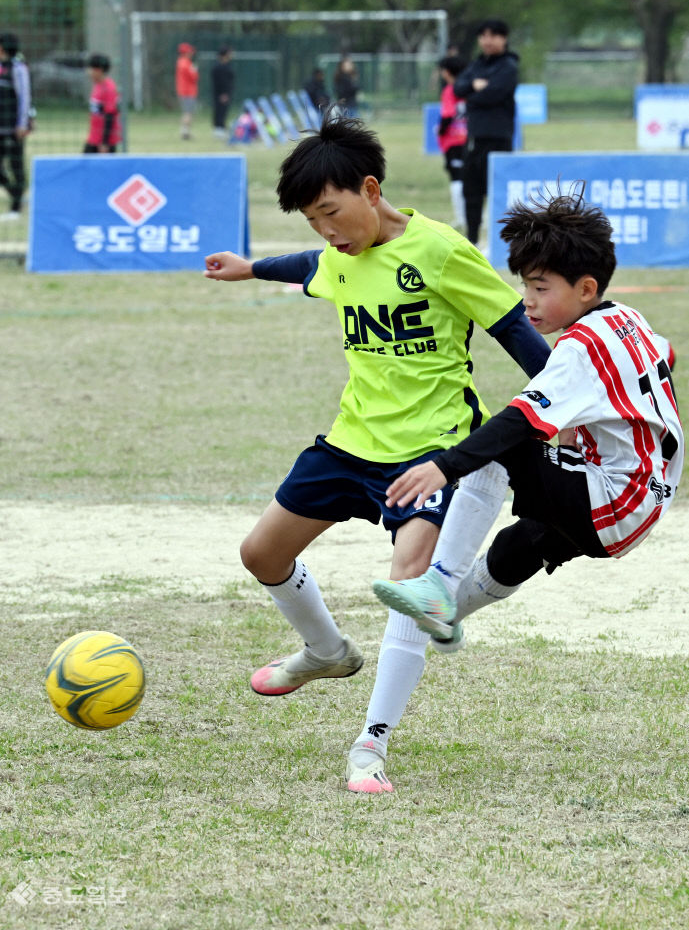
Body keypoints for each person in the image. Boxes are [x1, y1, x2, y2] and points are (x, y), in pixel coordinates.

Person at [203, 116, 550, 793]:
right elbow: (314, 267)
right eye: (312, 220)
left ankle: (372, 743)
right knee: (261, 554)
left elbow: (513, 328)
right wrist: (251, 270)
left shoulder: (443, 252)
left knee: (408, 584)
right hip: (349, 442)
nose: (326, 232)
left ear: (370, 189)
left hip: (429, 449)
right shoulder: (339, 253)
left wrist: (565, 398)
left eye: (331, 213)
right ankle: (327, 652)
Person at [373, 189, 683, 656]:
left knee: (501, 445)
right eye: (525, 287)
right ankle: (448, 614)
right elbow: (666, 354)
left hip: (613, 502)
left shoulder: (580, 346)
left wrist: (445, 467)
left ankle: (439, 583)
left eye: (541, 289)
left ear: (585, 289)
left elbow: (518, 422)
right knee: (520, 545)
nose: (528, 302)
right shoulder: (628, 319)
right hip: (649, 498)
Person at [454, 19, 518, 246]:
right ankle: (472, 241)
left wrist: (473, 94)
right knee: (471, 190)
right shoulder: (477, 64)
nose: (487, 40)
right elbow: (457, 87)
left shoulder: (508, 66)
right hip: (474, 138)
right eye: (483, 35)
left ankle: (500, 243)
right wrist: (474, 87)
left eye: (493, 35)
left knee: (497, 192)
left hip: (498, 137)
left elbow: (494, 94)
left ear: (504, 38)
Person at [0, 31, 32, 222]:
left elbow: (24, 98)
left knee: (16, 167)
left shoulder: (18, 69)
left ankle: (15, 209)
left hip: (13, 129)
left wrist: (22, 123)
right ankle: (17, 195)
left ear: (2, 48)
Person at [437, 56, 468, 231]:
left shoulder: (450, 90)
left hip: (454, 141)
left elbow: (448, 115)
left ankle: (461, 217)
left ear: (447, 72)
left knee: (457, 179)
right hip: (470, 140)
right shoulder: (470, 88)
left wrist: (441, 131)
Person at [83, 53, 121, 153]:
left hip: (104, 142)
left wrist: (105, 143)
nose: (88, 72)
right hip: (94, 138)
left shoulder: (109, 88)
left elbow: (110, 116)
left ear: (98, 70)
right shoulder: (97, 86)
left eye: (90, 69)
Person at [175, 42, 198, 139]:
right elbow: (193, 77)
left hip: (184, 91)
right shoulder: (186, 63)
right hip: (188, 92)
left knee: (186, 112)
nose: (192, 53)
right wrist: (195, 70)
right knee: (188, 112)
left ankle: (185, 131)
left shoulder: (180, 62)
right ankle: (185, 133)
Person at [211, 44, 234, 139]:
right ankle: (218, 129)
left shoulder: (227, 66)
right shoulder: (219, 68)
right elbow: (221, 82)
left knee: (224, 110)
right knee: (219, 110)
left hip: (226, 93)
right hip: (221, 93)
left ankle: (222, 128)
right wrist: (223, 93)